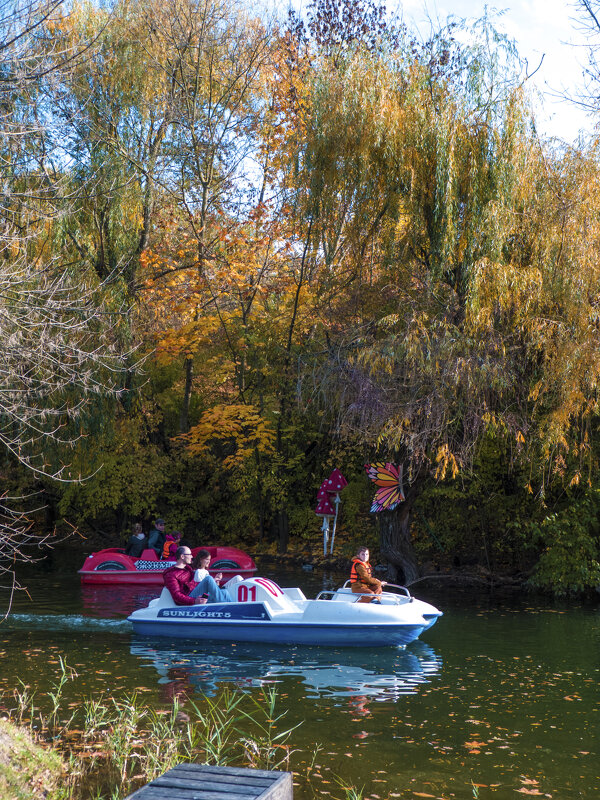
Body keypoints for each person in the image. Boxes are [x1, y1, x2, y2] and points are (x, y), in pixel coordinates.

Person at [163, 546, 231, 605]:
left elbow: (194, 584)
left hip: (194, 593)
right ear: (182, 556)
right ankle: (227, 606)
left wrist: (214, 581)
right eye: (189, 554)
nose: (192, 556)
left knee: (224, 592)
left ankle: (233, 610)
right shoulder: (171, 575)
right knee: (208, 579)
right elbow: (177, 596)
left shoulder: (187, 568)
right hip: (189, 598)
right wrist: (194, 601)